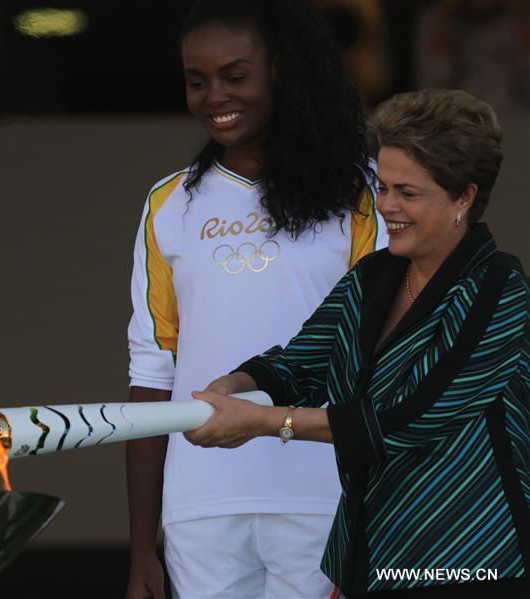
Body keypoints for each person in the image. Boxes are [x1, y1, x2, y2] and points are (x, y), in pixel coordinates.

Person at [187, 89, 529, 598]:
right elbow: (300, 365)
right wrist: (237, 383)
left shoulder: (499, 289)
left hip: (471, 564)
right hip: (370, 561)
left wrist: (263, 422)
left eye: (407, 193)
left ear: (464, 198)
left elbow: (405, 419)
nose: (386, 205)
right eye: (384, 186)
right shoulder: (374, 276)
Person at [126, 1, 387, 597]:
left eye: (235, 76)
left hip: (326, 499)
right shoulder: (169, 204)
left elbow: (383, 356)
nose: (215, 96)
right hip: (200, 508)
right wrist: (142, 546)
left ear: (282, 70)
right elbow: (151, 369)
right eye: (197, 81)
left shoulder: (363, 190)